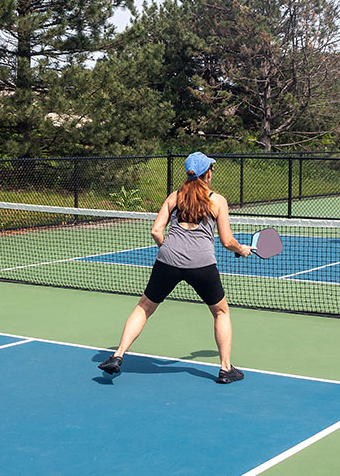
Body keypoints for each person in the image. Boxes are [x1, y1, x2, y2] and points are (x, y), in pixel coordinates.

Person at [97, 152, 253, 383]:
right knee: (220, 312)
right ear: (208, 173)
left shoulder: (175, 197)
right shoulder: (217, 200)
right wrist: (242, 249)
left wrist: (169, 250)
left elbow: (156, 231)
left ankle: (117, 356)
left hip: (167, 261)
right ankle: (226, 369)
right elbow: (227, 241)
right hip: (202, 264)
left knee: (144, 307)